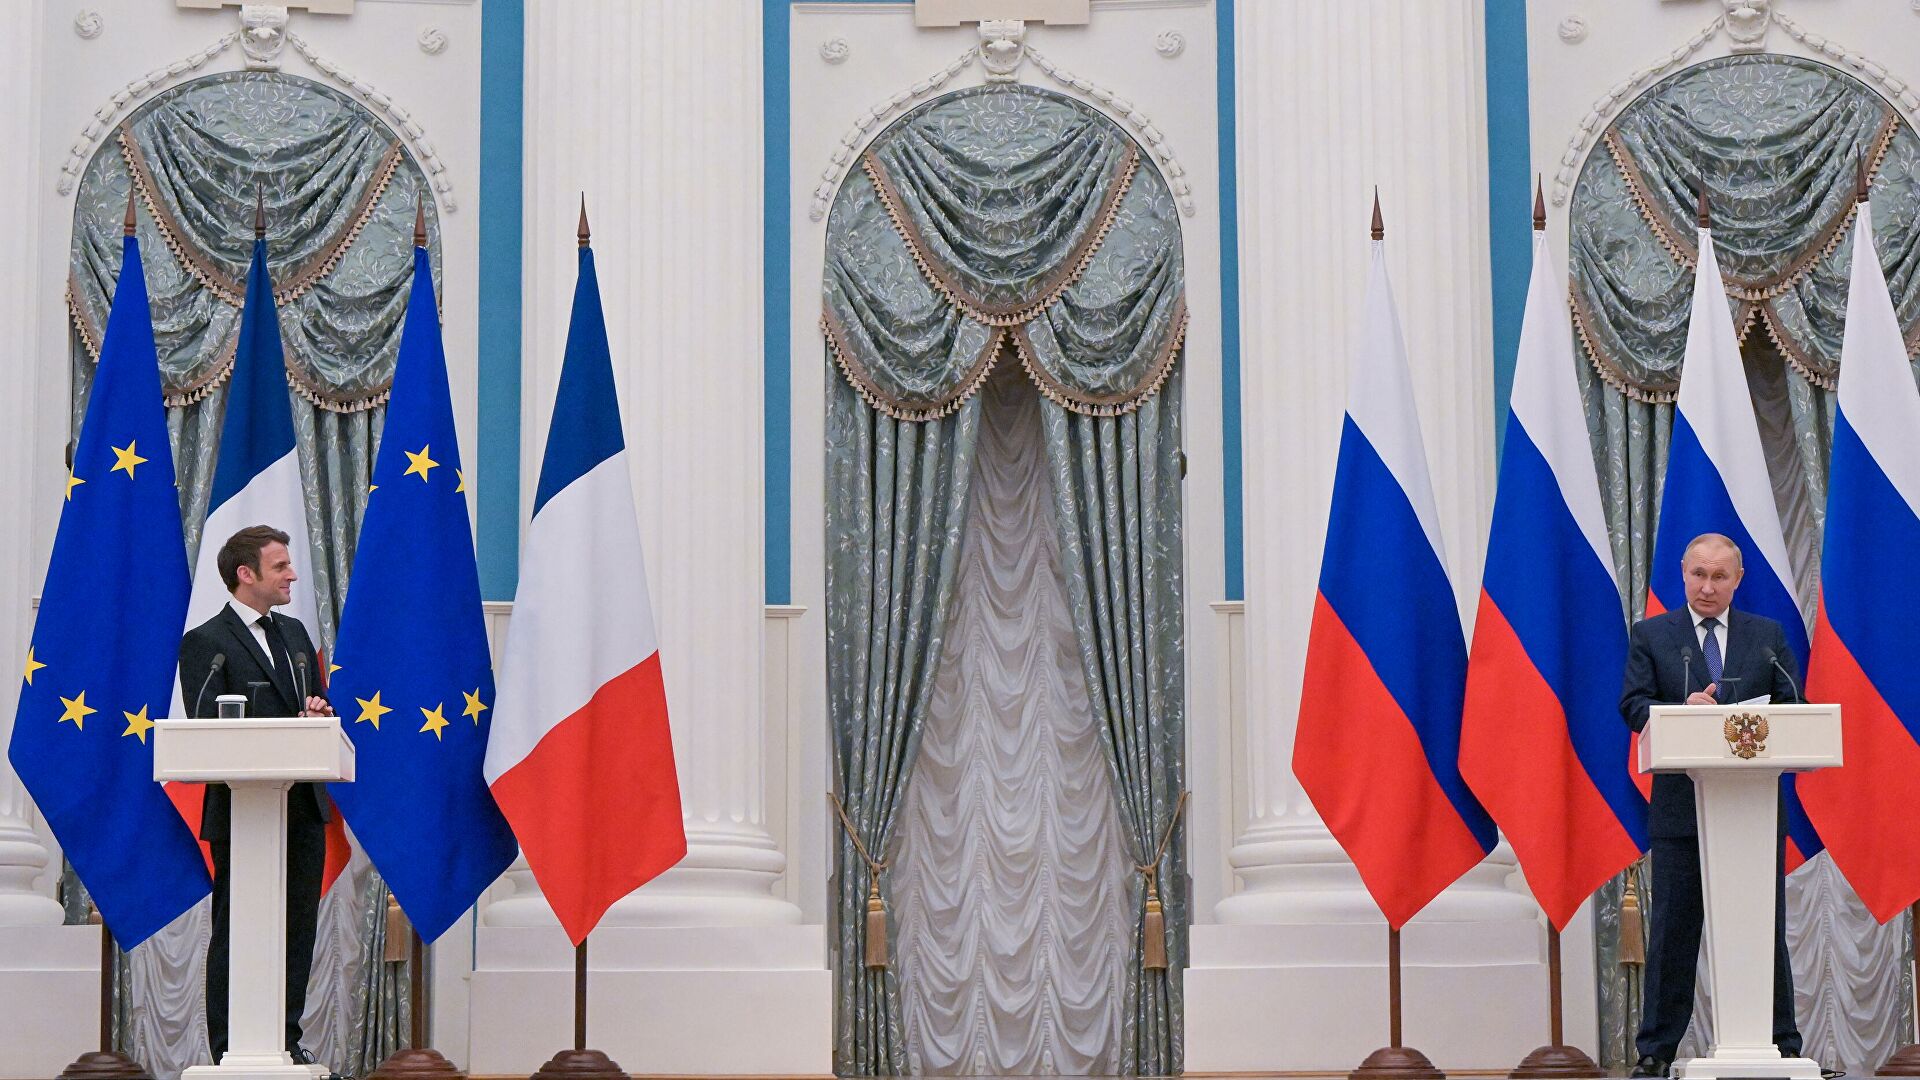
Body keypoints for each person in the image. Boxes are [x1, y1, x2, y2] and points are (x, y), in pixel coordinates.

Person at [1619, 533, 1803, 1078]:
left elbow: (1793, 706)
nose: (1707, 586)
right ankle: (1656, 1052)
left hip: (1751, 813)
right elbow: (1632, 705)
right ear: (1683, 574)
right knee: (1674, 932)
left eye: (1719, 576)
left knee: (1761, 928)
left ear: (1737, 580)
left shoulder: (1766, 637)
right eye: (1698, 574)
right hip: (1681, 811)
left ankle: (1782, 1044)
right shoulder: (1653, 635)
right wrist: (1682, 710)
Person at [178, 525, 334, 1066]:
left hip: (302, 806)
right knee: (237, 929)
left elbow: (317, 708)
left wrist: (317, 712)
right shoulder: (206, 642)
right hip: (242, 811)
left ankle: (284, 1043)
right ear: (246, 574)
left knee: (298, 930)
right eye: (280, 566)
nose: (292, 575)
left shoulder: (294, 634)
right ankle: (229, 1048)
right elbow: (205, 725)